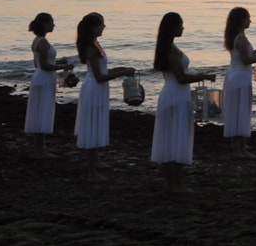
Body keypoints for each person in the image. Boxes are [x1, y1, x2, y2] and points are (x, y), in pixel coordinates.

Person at [150, 12, 216, 193]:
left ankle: (172, 184)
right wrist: (204, 75)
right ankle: (177, 185)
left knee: (171, 138)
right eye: (180, 24)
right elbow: (181, 77)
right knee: (176, 138)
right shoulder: (171, 51)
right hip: (175, 96)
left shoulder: (169, 48)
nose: (182, 28)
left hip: (173, 94)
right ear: (172, 27)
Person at [74, 12, 135, 181]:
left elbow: (102, 71)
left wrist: (120, 69)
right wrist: (121, 72)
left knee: (96, 122)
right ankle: (92, 171)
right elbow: (99, 76)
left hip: (97, 87)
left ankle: (95, 162)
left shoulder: (96, 43)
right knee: (93, 124)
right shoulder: (91, 48)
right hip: (94, 88)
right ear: (94, 27)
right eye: (101, 24)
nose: (104, 27)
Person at [24, 12, 74, 158]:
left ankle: (39, 149)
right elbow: (45, 66)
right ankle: (41, 151)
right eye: (52, 22)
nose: (54, 25)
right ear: (45, 24)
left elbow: (38, 64)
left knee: (38, 110)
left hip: (39, 77)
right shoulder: (44, 42)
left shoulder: (37, 41)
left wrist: (59, 62)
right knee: (43, 110)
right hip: (45, 78)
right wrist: (64, 67)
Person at [222, 7, 256, 159]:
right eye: (248, 18)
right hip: (240, 76)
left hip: (235, 74)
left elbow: (243, 56)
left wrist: (254, 54)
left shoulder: (236, 37)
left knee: (236, 109)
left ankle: (238, 145)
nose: (250, 21)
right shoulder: (240, 38)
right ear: (242, 20)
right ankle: (240, 149)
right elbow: (246, 60)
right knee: (241, 109)